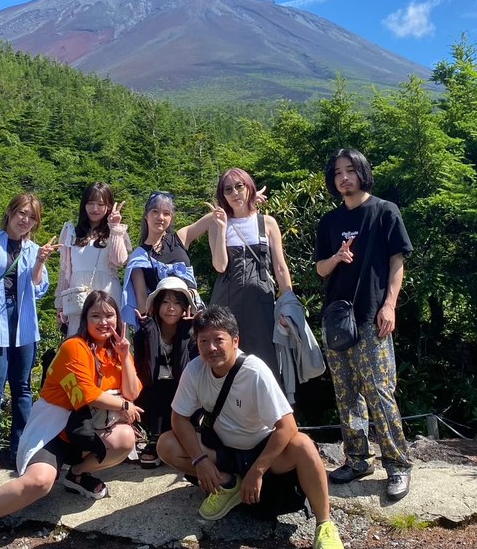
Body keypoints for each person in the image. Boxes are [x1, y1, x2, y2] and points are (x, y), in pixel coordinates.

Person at [0, 291, 143, 549]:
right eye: (96, 316)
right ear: (84, 320)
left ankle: (77, 475)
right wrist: (124, 405)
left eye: (109, 315)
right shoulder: (74, 347)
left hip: (89, 430)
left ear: (118, 318)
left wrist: (125, 356)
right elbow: (88, 396)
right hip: (55, 430)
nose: (104, 322)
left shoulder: (116, 351)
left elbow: (133, 392)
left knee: (126, 438)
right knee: (40, 482)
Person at [156, 306, 343, 549]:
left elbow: (287, 426)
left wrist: (257, 471)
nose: (211, 348)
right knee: (166, 444)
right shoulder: (195, 370)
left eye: (218, 340)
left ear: (235, 341)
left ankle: (325, 524)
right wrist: (199, 460)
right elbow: (179, 418)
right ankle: (227, 485)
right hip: (225, 450)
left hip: (263, 449)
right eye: (204, 341)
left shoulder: (254, 371)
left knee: (304, 446)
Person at [313, 147, 414, 501]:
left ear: (362, 172)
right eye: (338, 172)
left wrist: (390, 305)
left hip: (372, 316)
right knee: (346, 392)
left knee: (380, 391)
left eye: (350, 170)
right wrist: (337, 257)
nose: (344, 177)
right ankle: (357, 458)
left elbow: (396, 261)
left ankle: (398, 464)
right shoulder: (329, 222)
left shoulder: (385, 212)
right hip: (337, 319)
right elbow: (320, 270)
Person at [0, 193, 60, 477]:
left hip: (25, 325)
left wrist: (40, 261)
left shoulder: (33, 248)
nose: (25, 220)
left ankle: (22, 448)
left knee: (23, 387)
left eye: (31, 217)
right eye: (22, 214)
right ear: (10, 212)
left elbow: (38, 289)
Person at [208, 168, 292, 381]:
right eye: (228, 189)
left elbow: (280, 267)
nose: (235, 193)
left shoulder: (267, 222)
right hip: (227, 303)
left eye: (239, 186)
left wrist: (288, 302)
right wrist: (220, 229)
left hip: (261, 303)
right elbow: (219, 266)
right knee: (227, 361)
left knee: (266, 363)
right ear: (222, 195)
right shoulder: (219, 223)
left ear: (249, 187)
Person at [133, 277, 198, 468]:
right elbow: (146, 374)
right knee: (160, 386)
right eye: (166, 302)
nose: (171, 308)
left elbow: (186, 372)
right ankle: (155, 437)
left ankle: (178, 435)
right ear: (156, 305)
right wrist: (151, 335)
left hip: (184, 390)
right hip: (153, 394)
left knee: (174, 385)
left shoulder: (193, 334)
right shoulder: (144, 333)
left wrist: (184, 337)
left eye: (177, 303)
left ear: (185, 307)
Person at [121, 191, 210, 326]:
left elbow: (213, 217)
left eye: (166, 213)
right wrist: (148, 328)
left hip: (193, 315)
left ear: (171, 218)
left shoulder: (180, 238)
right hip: (163, 323)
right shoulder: (138, 256)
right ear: (146, 215)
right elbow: (142, 299)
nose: (160, 217)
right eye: (155, 211)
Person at [55, 182, 131, 336]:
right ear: (84, 205)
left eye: (100, 204)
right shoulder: (71, 231)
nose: (95, 209)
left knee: (108, 339)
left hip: (107, 291)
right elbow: (65, 270)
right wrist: (60, 304)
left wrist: (115, 227)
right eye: (90, 203)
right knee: (79, 341)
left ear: (108, 206)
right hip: (78, 296)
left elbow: (120, 260)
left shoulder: (115, 231)